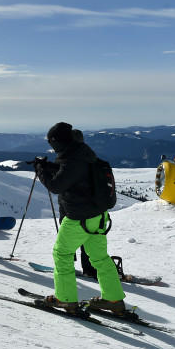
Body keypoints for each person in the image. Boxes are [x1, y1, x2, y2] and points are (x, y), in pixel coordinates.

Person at [35, 122, 126, 315]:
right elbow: (72, 175)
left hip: (78, 218)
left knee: (62, 254)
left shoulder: (72, 159)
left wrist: (41, 171)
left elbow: (57, 186)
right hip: (99, 217)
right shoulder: (84, 154)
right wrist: (47, 166)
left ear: (58, 142)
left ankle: (65, 299)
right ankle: (113, 299)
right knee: (100, 258)